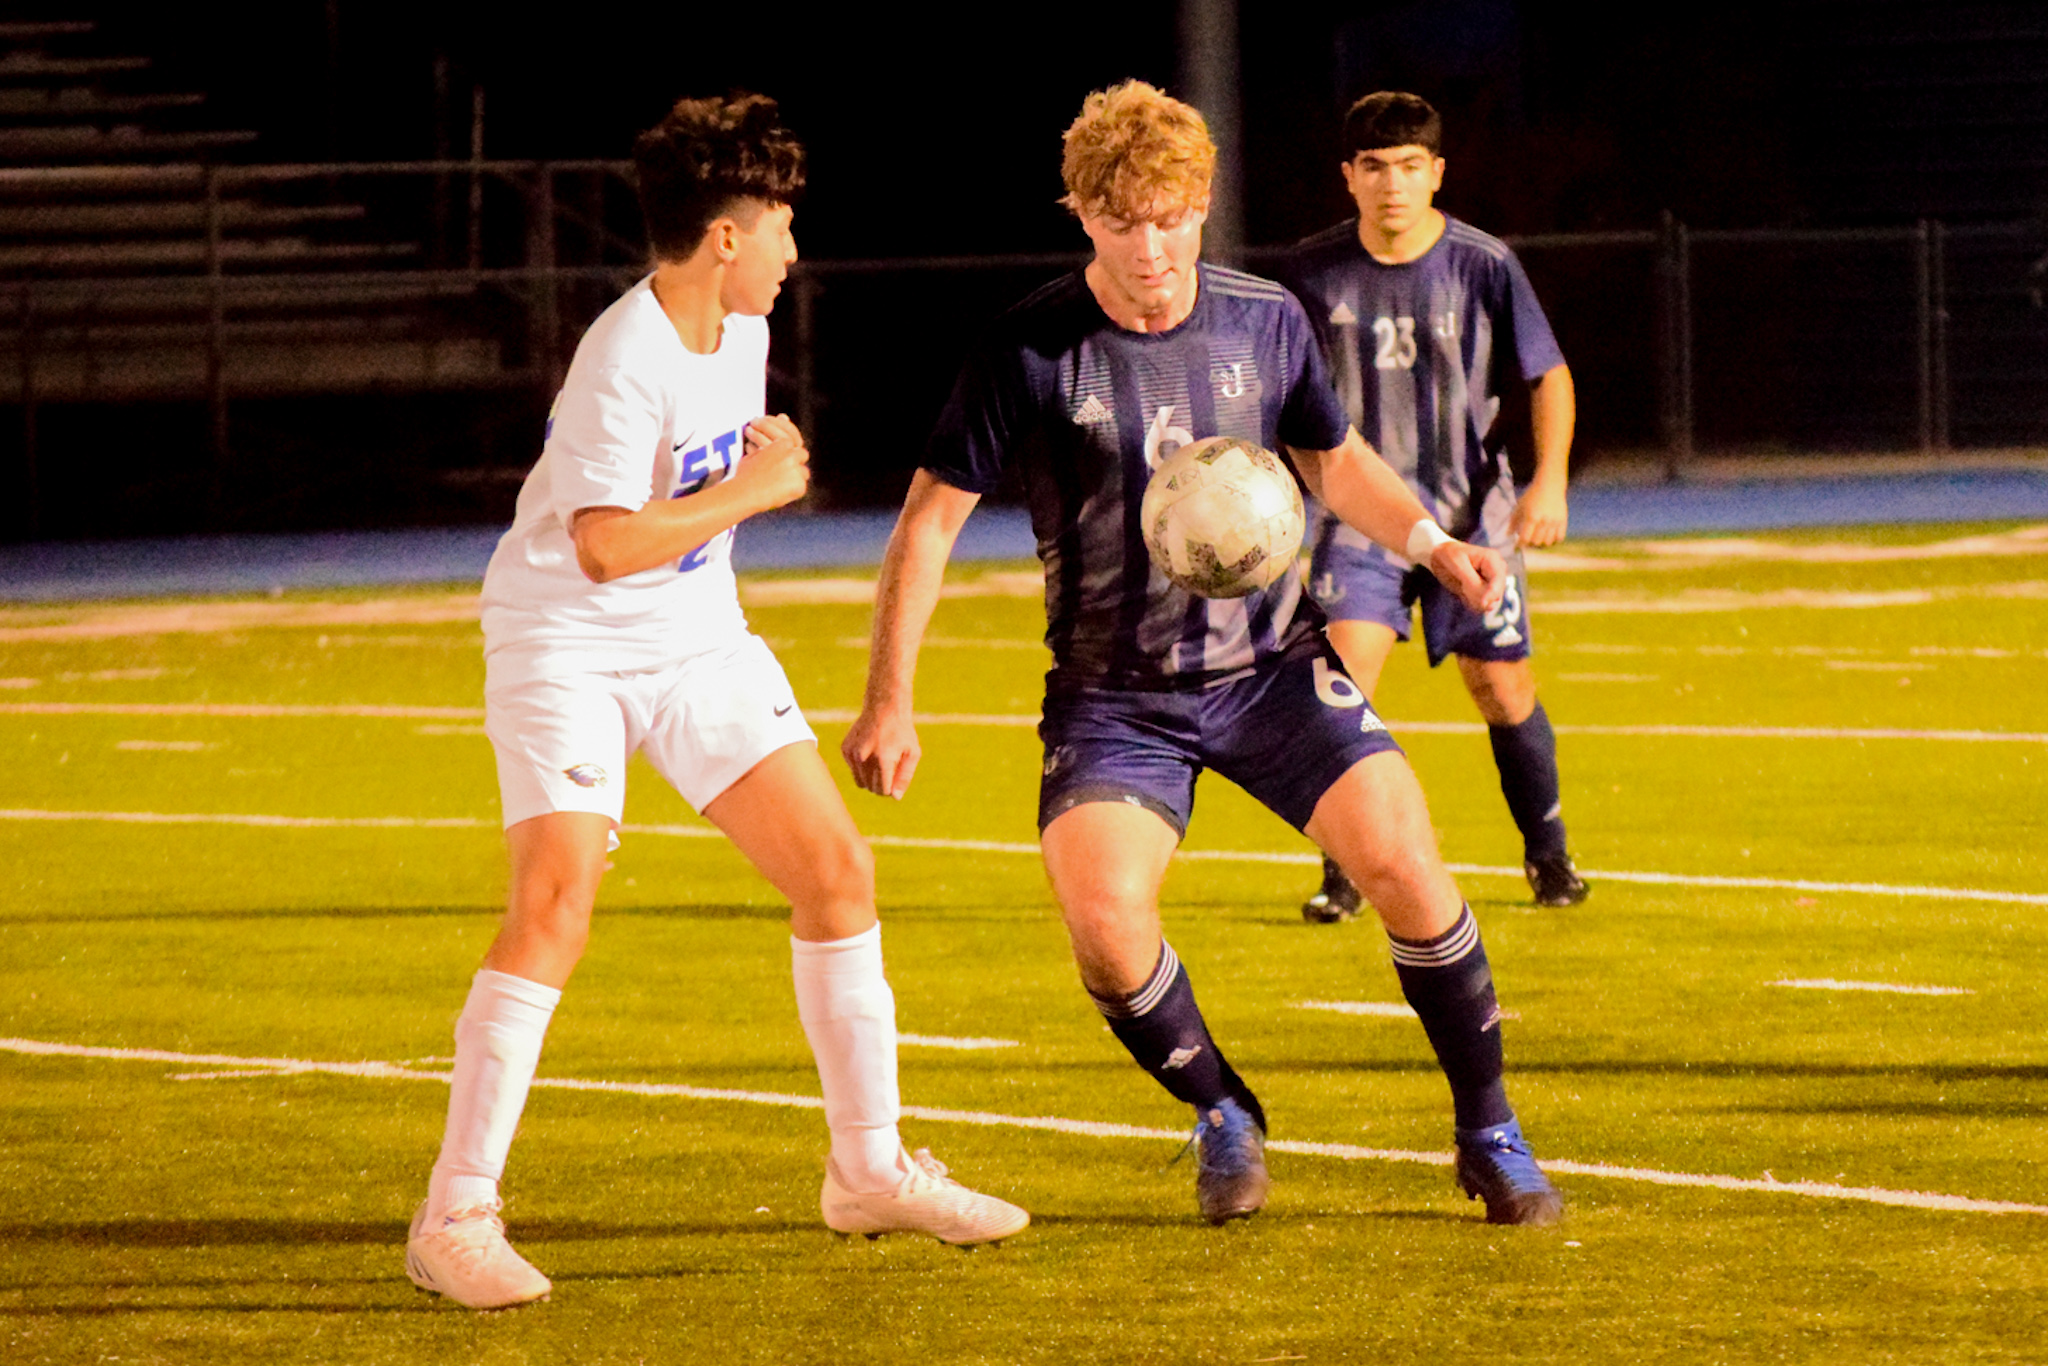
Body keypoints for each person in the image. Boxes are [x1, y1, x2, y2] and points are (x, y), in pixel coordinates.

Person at [842, 81, 1562, 1228]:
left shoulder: (1262, 316)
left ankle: (1489, 1131)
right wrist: (889, 699)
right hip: (1111, 696)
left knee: (1408, 868)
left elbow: (1332, 464)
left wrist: (1432, 543)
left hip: (1272, 669)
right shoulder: (1028, 346)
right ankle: (1223, 1109)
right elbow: (926, 523)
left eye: (1172, 215)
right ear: (1081, 213)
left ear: (1202, 203)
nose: (1151, 246)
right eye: (1124, 220)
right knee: (1104, 924)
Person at [403, 93, 1027, 1312]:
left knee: (836, 872)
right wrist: (761, 491)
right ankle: (454, 1212)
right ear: (726, 238)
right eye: (782, 227)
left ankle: (866, 1170)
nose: (795, 252)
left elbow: (698, 498)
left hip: (692, 641)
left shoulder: (734, 331)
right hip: (564, 642)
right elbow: (598, 546)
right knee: (553, 905)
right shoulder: (622, 354)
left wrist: (750, 473)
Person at [1282, 91, 1589, 924]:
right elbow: (1280, 397)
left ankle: (1547, 852)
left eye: (1410, 168)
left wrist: (1549, 480)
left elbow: (1548, 375)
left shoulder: (1485, 264)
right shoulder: (1307, 275)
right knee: (1343, 686)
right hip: (1357, 525)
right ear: (1348, 177)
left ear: (1437, 173)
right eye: (1375, 168)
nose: (1392, 185)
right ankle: (1343, 872)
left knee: (1500, 686)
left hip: (1472, 521)